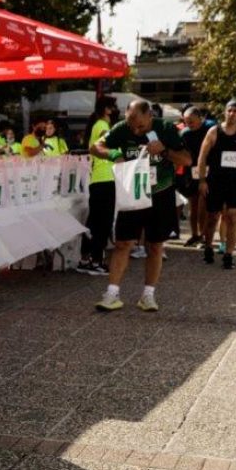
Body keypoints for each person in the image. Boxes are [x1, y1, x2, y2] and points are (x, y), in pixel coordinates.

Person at [91, 99, 191, 311]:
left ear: (150, 116)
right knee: (122, 243)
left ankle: (148, 295)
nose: (135, 130)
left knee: (155, 246)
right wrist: (114, 154)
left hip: (161, 193)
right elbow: (95, 147)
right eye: (131, 124)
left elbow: (187, 160)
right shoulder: (122, 128)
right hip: (133, 193)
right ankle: (111, 294)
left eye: (140, 126)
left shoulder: (166, 129)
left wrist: (164, 151)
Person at [197, 99, 236, 269]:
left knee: (233, 217)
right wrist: (202, 180)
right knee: (212, 217)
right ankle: (208, 246)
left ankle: (229, 255)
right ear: (224, 112)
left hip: (235, 181)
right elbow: (202, 157)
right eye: (229, 110)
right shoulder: (214, 131)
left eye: (235, 111)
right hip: (215, 180)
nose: (232, 114)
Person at [77, 95, 117, 275]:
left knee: (94, 221)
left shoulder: (98, 125)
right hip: (105, 178)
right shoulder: (102, 126)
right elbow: (107, 145)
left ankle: (86, 259)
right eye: (112, 107)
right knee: (103, 222)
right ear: (107, 109)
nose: (115, 110)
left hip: (99, 179)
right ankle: (96, 260)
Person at [179, 106, 212, 247]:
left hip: (208, 171)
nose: (189, 124)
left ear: (200, 118)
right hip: (191, 172)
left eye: (191, 121)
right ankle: (194, 235)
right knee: (193, 206)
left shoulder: (209, 130)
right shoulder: (184, 134)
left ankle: (204, 236)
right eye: (186, 121)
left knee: (203, 206)